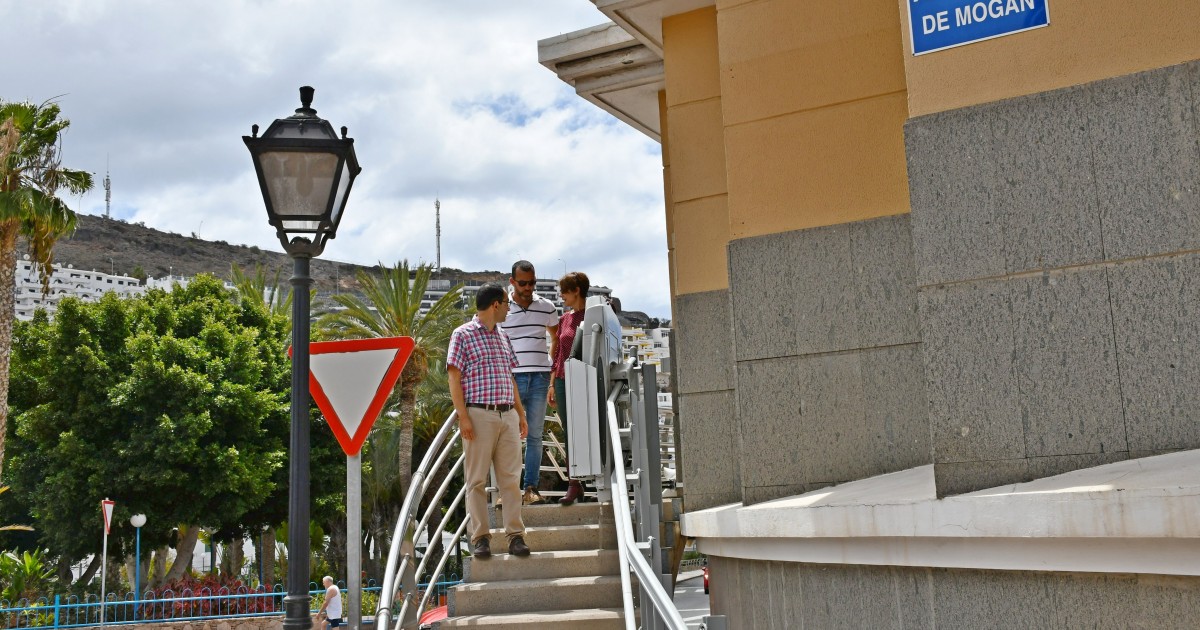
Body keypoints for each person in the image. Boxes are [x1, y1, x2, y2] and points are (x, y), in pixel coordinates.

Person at [448, 282, 532, 558]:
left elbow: (511, 377)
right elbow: (454, 377)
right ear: (496, 304)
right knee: (476, 481)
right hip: (478, 413)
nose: (509, 308)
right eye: (507, 303)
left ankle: (515, 536)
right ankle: (480, 538)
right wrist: (463, 417)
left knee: (510, 479)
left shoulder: (503, 336)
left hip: (506, 413)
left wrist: (520, 414)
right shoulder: (462, 334)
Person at [498, 260, 559, 505]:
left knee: (534, 436)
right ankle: (508, 491)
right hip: (511, 378)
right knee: (508, 435)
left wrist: (550, 366)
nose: (528, 287)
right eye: (523, 283)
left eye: (532, 282)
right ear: (512, 281)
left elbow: (556, 338)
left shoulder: (547, 307)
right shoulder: (502, 307)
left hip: (540, 377)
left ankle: (530, 488)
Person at [549, 271, 590, 505]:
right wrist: (552, 384)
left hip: (586, 379)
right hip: (564, 380)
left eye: (565, 290)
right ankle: (574, 484)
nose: (561, 295)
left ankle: (592, 478)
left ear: (576, 290)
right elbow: (558, 355)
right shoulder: (565, 319)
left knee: (591, 429)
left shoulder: (594, 315)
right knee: (570, 433)